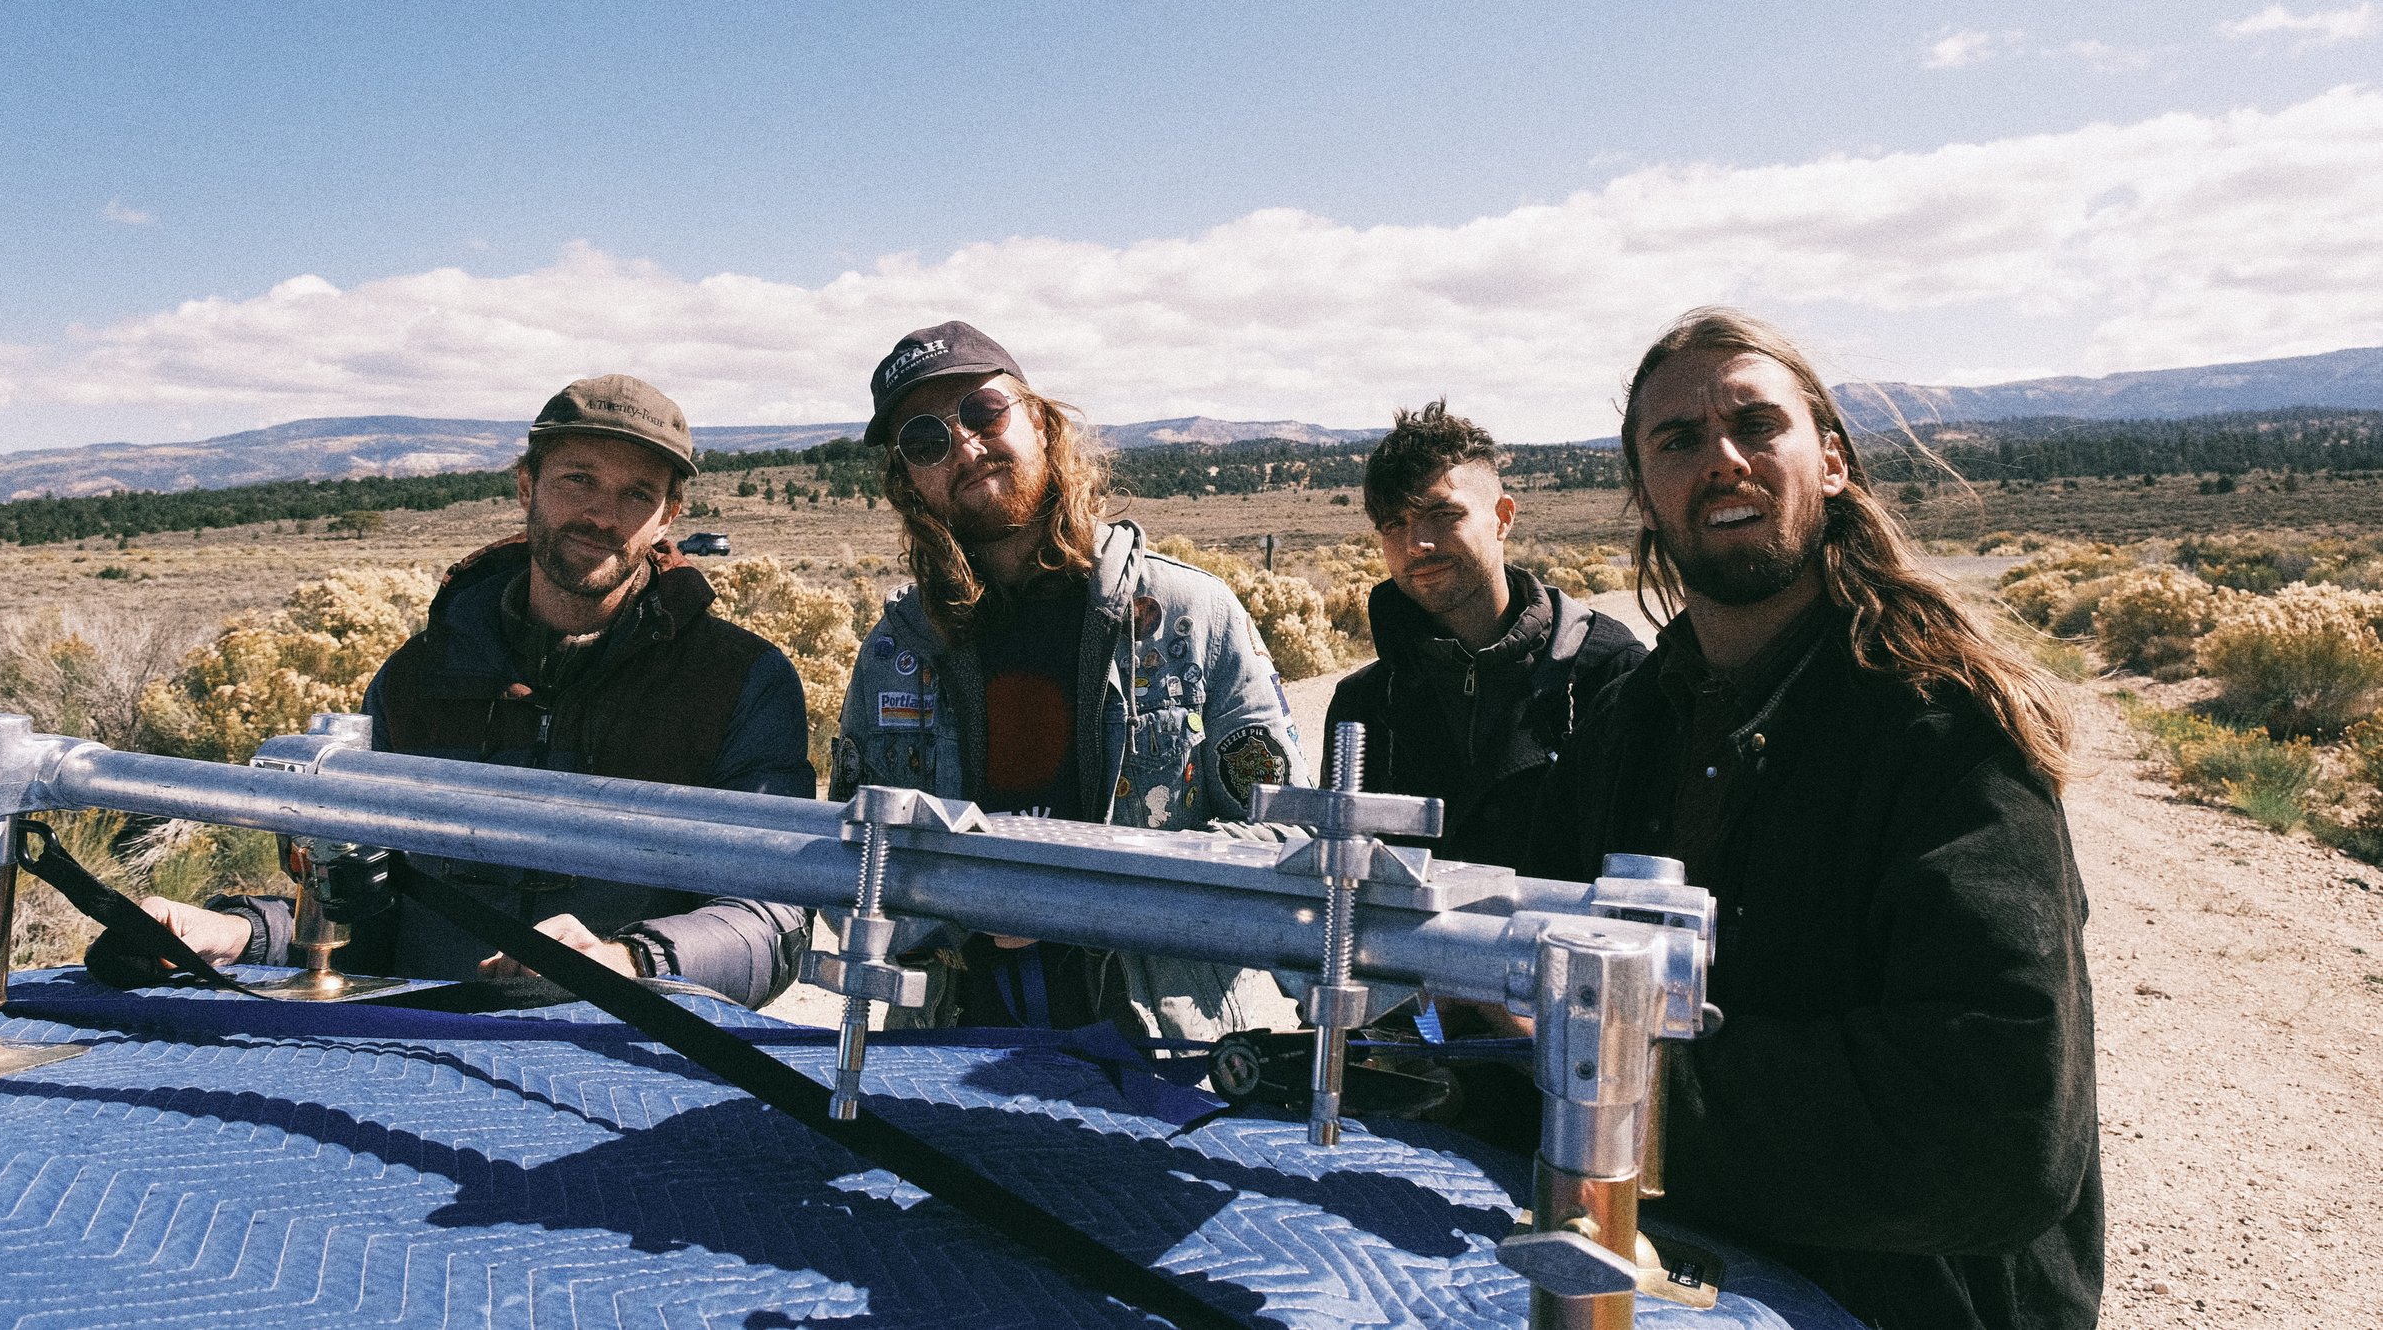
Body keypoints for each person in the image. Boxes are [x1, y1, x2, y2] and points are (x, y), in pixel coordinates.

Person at [1527, 309, 2101, 1330]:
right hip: (1681, 1274)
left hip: (1911, 1300)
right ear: (1644, 496)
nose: (1724, 460)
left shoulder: (1937, 724)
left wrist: (1620, 1098)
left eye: (1757, 424)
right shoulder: (1627, 727)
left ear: (1828, 462)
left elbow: (1995, 1123)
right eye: (1678, 441)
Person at [139, 375, 814, 1006]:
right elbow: (366, 906)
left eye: (637, 493)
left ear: (669, 515)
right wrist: (233, 932)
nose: (603, 514)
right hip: (416, 1047)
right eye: (578, 479)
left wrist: (626, 962)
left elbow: (773, 918)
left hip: (631, 1053)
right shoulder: (419, 676)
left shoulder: (737, 682)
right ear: (527, 487)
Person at [834, 320, 1303, 1038]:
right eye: (926, 440)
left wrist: (1084, 893)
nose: (963, 443)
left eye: (983, 412)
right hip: (944, 1049)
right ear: (910, 483)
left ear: (1044, 424)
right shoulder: (897, 654)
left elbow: (1291, 840)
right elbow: (845, 870)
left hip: (1164, 1054)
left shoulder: (1188, 619)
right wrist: (960, 900)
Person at [1327, 400, 1643, 869]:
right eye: (1395, 524)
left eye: (1444, 513)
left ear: (1503, 517)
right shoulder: (1365, 705)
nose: (1418, 544)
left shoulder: (1608, 674)